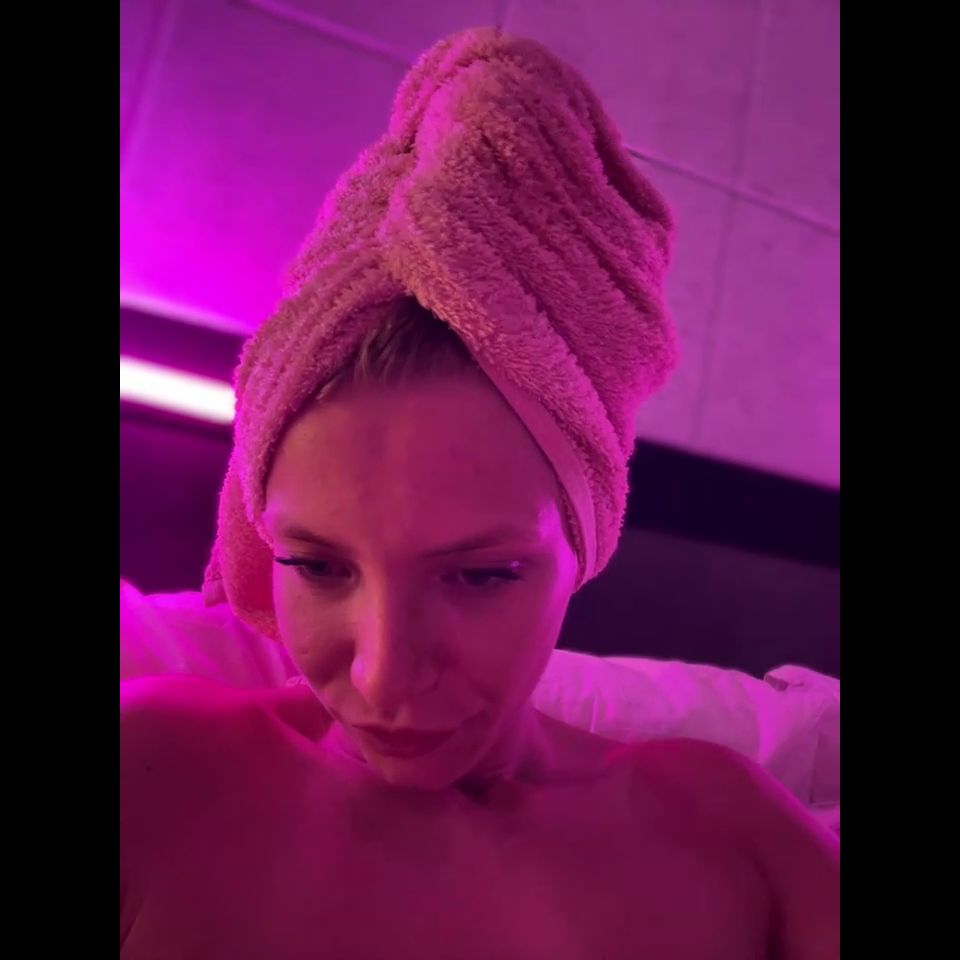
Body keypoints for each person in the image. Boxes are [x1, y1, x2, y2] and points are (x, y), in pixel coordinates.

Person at [120, 26, 839, 959]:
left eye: (482, 575)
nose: (383, 677)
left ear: (582, 550)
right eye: (316, 566)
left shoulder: (738, 840)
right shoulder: (149, 774)